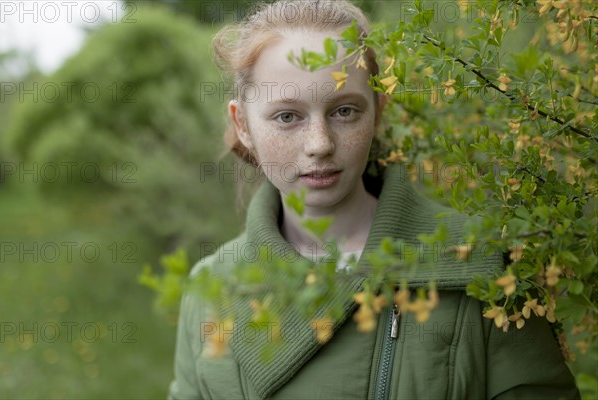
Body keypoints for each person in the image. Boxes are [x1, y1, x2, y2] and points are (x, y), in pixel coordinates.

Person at [168, 1, 580, 399]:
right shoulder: (212, 289)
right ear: (242, 124)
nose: (320, 145)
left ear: (378, 111)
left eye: (344, 111)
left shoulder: (478, 260)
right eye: (287, 116)